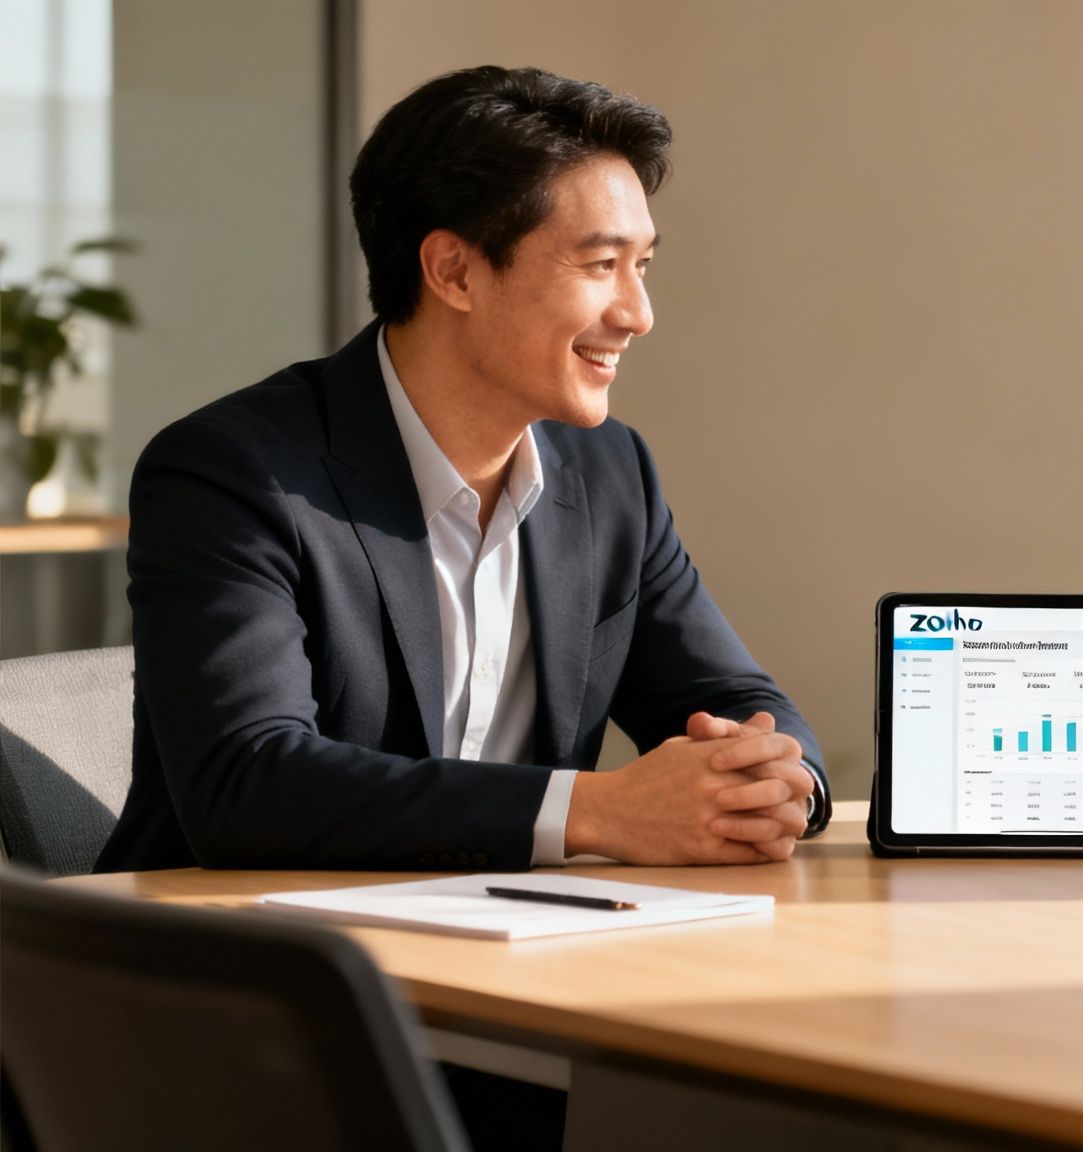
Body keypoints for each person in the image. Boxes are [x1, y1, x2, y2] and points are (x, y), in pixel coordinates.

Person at [96, 65, 830, 876]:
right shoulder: (234, 473)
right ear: (453, 272)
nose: (637, 314)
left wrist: (775, 781)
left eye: (643, 265)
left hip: (521, 947)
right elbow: (246, 784)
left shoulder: (611, 472)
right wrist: (595, 811)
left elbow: (740, 705)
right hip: (245, 969)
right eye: (599, 266)